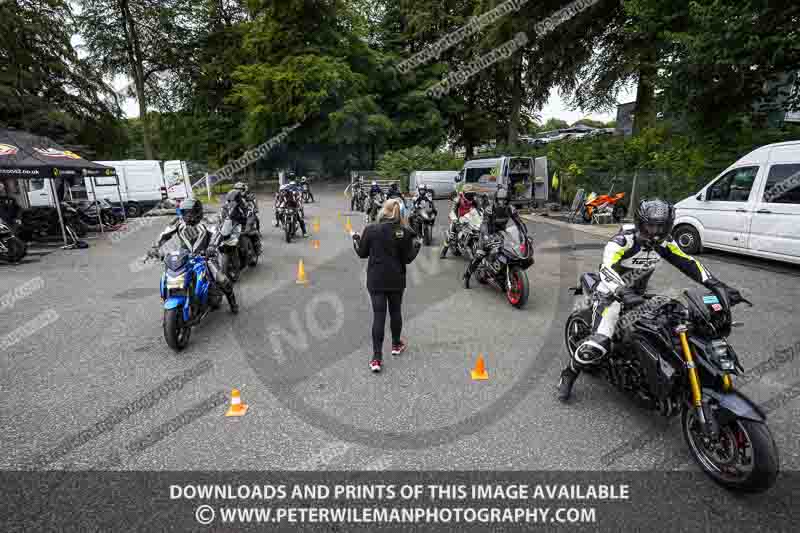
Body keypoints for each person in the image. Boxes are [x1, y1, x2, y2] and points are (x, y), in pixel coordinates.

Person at [556, 198, 746, 402]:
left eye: (661, 226)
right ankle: (569, 374)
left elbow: (689, 263)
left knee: (679, 323)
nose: (655, 231)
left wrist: (717, 285)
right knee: (599, 343)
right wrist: (621, 290)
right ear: (640, 223)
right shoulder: (622, 241)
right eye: (650, 225)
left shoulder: (665, 243)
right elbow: (606, 269)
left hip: (638, 294)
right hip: (610, 295)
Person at [352, 198, 421, 372]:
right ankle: (396, 345)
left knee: (379, 315)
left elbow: (362, 253)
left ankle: (376, 358)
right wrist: (417, 248)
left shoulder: (371, 229)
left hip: (376, 279)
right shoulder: (403, 232)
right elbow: (407, 259)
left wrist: (356, 239)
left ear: (384, 210)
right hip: (396, 279)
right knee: (396, 311)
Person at [148, 198, 238, 313]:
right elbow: (164, 235)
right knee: (169, 277)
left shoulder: (207, 221)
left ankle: (233, 303)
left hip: (205, 256)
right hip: (184, 257)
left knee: (222, 280)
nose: (186, 216)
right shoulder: (178, 222)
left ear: (197, 212)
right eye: (184, 212)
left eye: (188, 212)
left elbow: (216, 233)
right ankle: (173, 306)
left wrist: (212, 246)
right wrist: (155, 246)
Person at [463, 185, 524, 288]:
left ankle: (502, 273)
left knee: (511, 250)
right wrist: (486, 237)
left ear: (508, 200)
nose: (502, 203)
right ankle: (467, 275)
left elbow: (519, 223)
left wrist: (524, 235)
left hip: (501, 232)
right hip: (487, 233)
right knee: (479, 255)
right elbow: (484, 224)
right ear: (496, 199)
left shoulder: (511, 209)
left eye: (504, 200)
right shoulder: (489, 209)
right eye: (500, 200)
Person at [440, 183, 481, 258]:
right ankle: (444, 251)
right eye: (469, 195)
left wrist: (483, 215)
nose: (471, 196)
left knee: (479, 231)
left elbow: (480, 209)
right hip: (459, 219)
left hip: (471, 218)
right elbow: (453, 210)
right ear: (464, 193)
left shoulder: (474, 200)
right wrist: (455, 220)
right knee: (451, 235)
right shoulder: (458, 199)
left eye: (472, 194)